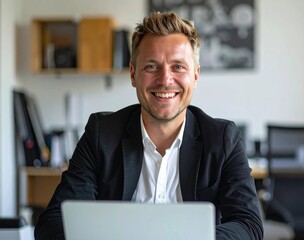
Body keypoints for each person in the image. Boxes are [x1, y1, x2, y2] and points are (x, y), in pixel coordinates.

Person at [34, 11, 263, 240]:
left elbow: (248, 226)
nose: (165, 80)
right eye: (152, 67)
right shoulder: (101, 134)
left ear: (195, 76)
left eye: (178, 67)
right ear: (133, 74)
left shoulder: (223, 139)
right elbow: (54, 221)